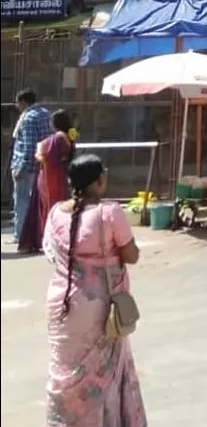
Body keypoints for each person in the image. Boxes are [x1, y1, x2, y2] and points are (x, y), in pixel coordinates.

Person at [42, 153, 147, 426]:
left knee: (65, 368)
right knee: (102, 375)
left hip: (60, 302)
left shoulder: (55, 213)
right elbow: (132, 255)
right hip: (99, 307)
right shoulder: (109, 212)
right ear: (99, 180)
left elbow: (51, 255)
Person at [18, 109, 77, 254]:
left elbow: (48, 156)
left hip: (51, 177)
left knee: (48, 208)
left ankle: (49, 239)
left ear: (55, 123)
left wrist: (39, 153)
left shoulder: (58, 137)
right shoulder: (69, 135)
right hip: (59, 175)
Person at [10, 89, 52, 244]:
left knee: (21, 200)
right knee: (36, 200)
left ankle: (20, 234)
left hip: (26, 165)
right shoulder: (45, 114)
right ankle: (36, 233)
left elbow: (29, 145)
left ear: (24, 102)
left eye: (17, 102)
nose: (16, 106)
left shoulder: (28, 118)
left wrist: (21, 166)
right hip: (41, 164)